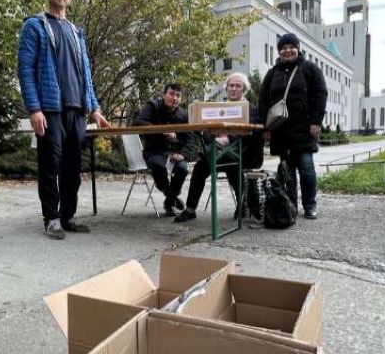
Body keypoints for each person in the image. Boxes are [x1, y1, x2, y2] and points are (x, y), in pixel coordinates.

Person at [17, 0, 111, 240]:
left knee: (72, 167)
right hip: (50, 110)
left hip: (76, 111)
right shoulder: (34, 26)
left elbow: (86, 75)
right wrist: (34, 109)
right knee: (50, 165)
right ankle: (52, 219)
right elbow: (25, 70)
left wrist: (95, 109)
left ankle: (68, 216)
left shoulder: (75, 32)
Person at [174, 73, 264, 223]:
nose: (234, 88)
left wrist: (228, 139)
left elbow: (252, 134)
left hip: (244, 153)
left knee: (230, 162)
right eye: (231, 85)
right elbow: (208, 134)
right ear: (226, 88)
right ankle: (190, 209)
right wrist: (209, 135)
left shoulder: (251, 110)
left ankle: (243, 204)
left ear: (244, 90)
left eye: (238, 86)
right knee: (199, 167)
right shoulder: (218, 108)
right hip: (217, 153)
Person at [258, 32, 327, 220]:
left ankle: (310, 205)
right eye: (283, 48)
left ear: (298, 49)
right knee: (287, 171)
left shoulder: (310, 69)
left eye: (291, 47)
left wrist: (316, 121)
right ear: (279, 52)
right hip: (280, 131)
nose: (287, 51)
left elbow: (321, 95)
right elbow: (263, 101)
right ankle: (290, 205)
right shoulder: (272, 74)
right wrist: (265, 128)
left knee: (306, 168)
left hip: (304, 128)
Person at [133, 83, 192, 216]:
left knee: (183, 169)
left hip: (174, 152)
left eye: (178, 95)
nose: (174, 98)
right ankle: (172, 197)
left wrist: (182, 153)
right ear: (164, 94)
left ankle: (169, 200)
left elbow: (189, 138)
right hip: (154, 151)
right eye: (171, 94)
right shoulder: (152, 106)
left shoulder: (183, 114)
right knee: (159, 166)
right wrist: (162, 131)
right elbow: (138, 123)